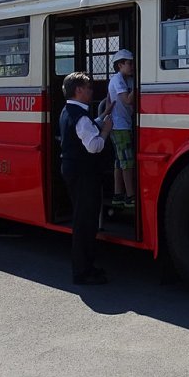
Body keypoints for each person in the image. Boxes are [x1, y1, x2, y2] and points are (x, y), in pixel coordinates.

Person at [59, 71, 114, 285]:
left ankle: (85, 267)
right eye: (89, 87)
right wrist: (106, 131)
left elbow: (86, 129)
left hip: (73, 170)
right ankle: (83, 271)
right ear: (79, 90)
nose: (92, 90)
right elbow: (93, 146)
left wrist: (102, 117)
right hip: (84, 173)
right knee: (86, 223)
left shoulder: (69, 111)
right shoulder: (81, 116)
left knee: (83, 220)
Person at [108, 48, 137, 205]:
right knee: (127, 161)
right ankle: (130, 196)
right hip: (120, 126)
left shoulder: (126, 79)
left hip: (121, 123)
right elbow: (127, 100)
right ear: (120, 65)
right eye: (129, 63)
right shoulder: (118, 80)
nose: (132, 66)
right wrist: (138, 84)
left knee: (119, 161)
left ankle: (118, 193)